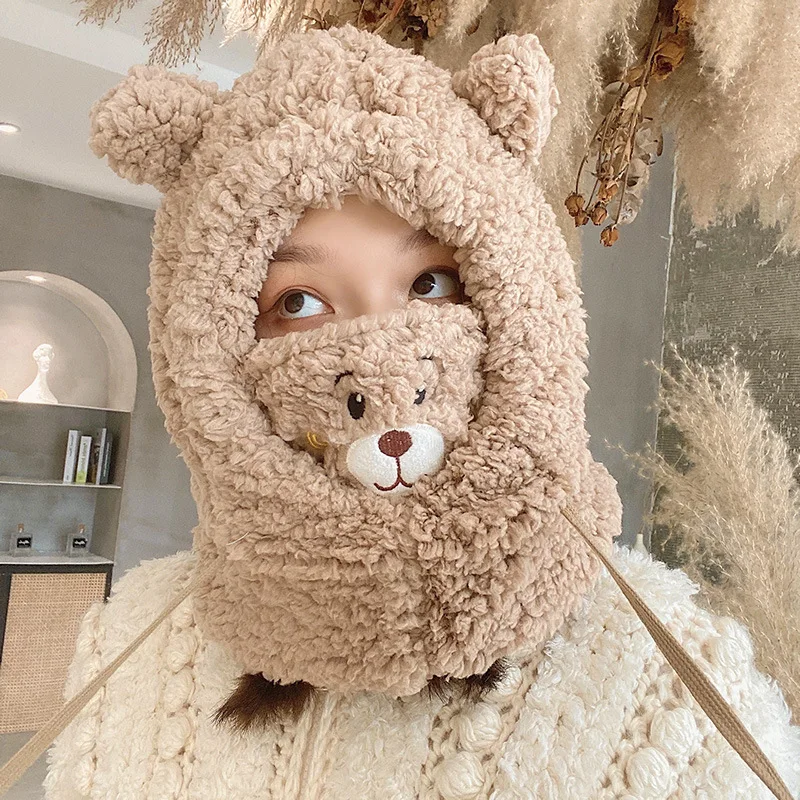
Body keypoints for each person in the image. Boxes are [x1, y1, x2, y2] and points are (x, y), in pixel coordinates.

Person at [43, 25, 800, 799]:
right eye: (298, 303)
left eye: (432, 284)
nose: (383, 356)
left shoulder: (674, 692)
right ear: (207, 345)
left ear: (518, 302)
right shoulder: (123, 647)